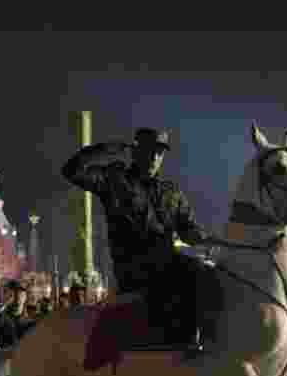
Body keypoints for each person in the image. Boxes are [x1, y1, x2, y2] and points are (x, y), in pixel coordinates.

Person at [61, 127, 221, 352]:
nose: (155, 157)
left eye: (160, 153)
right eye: (149, 151)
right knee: (193, 271)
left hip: (166, 263)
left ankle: (208, 341)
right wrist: (110, 149)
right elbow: (72, 170)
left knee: (211, 273)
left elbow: (188, 229)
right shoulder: (115, 180)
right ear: (135, 152)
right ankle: (188, 343)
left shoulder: (171, 192)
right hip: (133, 267)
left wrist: (204, 238)